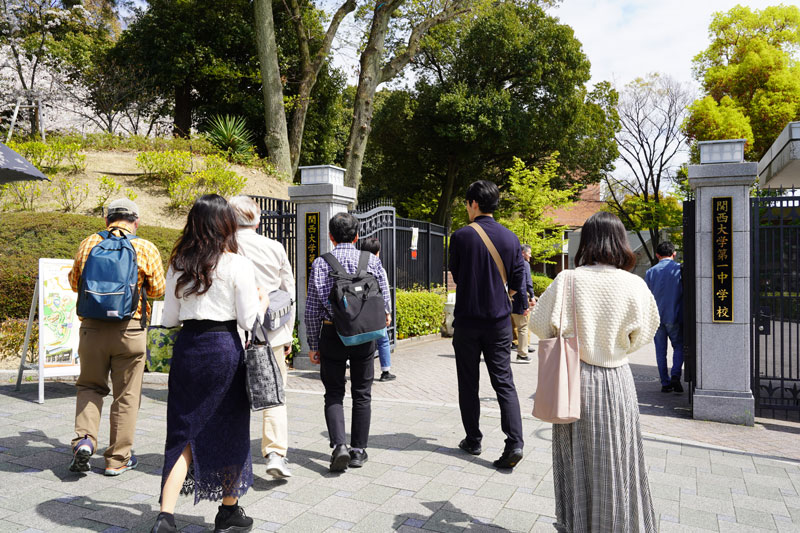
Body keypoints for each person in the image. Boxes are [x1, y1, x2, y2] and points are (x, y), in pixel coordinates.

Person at [530, 211, 660, 532]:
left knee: (576, 461)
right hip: (618, 381)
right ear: (620, 241)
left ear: (586, 240)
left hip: (575, 380)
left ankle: (578, 524)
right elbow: (646, 332)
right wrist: (615, 347)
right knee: (618, 459)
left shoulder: (568, 280)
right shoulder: (635, 284)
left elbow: (537, 325)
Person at [152, 195, 264, 533]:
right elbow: (246, 318)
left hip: (189, 349)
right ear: (226, 224)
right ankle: (228, 510)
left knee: (183, 431)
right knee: (230, 427)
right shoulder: (236, 263)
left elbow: (169, 318)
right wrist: (261, 300)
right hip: (224, 349)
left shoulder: (178, 264)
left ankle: (165, 515)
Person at [67, 198, 165, 476]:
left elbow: (75, 283)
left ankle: (84, 440)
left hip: (93, 329)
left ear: (107, 220)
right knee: (126, 395)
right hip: (130, 330)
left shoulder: (89, 243)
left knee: (90, 386)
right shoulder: (145, 247)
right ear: (136, 221)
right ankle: (117, 459)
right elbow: (158, 290)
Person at [449, 180, 527, 469]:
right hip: (499, 322)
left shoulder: (460, 236)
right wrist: (503, 295)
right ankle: (515, 442)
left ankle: (473, 439)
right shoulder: (511, 238)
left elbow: (457, 275)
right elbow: (518, 279)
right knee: (504, 382)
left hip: (468, 320)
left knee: (468, 382)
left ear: (474, 204)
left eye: (467, 204)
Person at [305, 213, 391, 472]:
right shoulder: (371, 262)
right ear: (356, 236)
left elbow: (312, 309)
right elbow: (385, 301)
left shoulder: (322, 263)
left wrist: (312, 344)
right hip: (364, 335)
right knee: (362, 393)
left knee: (333, 392)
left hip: (332, 334)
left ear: (330, 237)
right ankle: (358, 451)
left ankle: (339, 446)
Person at [229, 196, 297, 479]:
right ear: (258, 220)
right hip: (271, 335)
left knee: (230, 397)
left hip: (231, 333)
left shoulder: (223, 246)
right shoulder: (275, 247)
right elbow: (289, 293)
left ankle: (230, 452)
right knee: (275, 394)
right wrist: (289, 332)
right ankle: (275, 454)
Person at [645, 241, 684, 393]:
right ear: (674, 254)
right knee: (679, 347)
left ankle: (665, 383)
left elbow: (646, 296)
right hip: (675, 315)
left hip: (656, 318)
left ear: (657, 255)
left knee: (660, 351)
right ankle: (675, 374)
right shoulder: (679, 270)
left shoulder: (650, 272)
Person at [358, 237, 396, 382]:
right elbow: (385, 291)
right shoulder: (378, 266)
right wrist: (388, 312)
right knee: (383, 339)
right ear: (377, 252)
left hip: (358, 309)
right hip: (376, 308)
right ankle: (385, 371)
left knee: (360, 339)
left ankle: (356, 367)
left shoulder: (355, 265)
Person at [510, 244, 535, 362]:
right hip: (520, 301)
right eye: (529, 253)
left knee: (508, 327)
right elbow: (524, 285)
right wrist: (526, 304)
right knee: (523, 328)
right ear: (523, 253)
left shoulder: (509, 263)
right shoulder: (524, 265)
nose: (530, 255)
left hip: (508, 301)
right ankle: (522, 354)